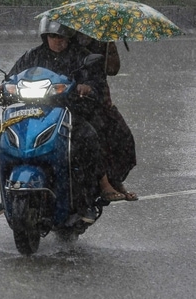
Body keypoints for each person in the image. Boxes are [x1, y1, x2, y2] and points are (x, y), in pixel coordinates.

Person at [0, 17, 123, 223]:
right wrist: (2, 89)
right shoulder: (32, 56)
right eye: (52, 36)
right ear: (45, 36)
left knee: (87, 138)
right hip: (32, 112)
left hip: (69, 111)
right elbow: (12, 78)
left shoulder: (82, 56)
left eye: (62, 36)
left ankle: (87, 199)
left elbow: (95, 82)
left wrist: (85, 87)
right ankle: (6, 193)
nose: (57, 40)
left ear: (69, 37)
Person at [75, 32, 138, 201]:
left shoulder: (101, 41)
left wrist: (110, 47)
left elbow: (112, 70)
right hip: (74, 101)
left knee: (124, 139)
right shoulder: (67, 41)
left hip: (99, 99)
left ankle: (115, 180)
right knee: (94, 138)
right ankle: (104, 184)